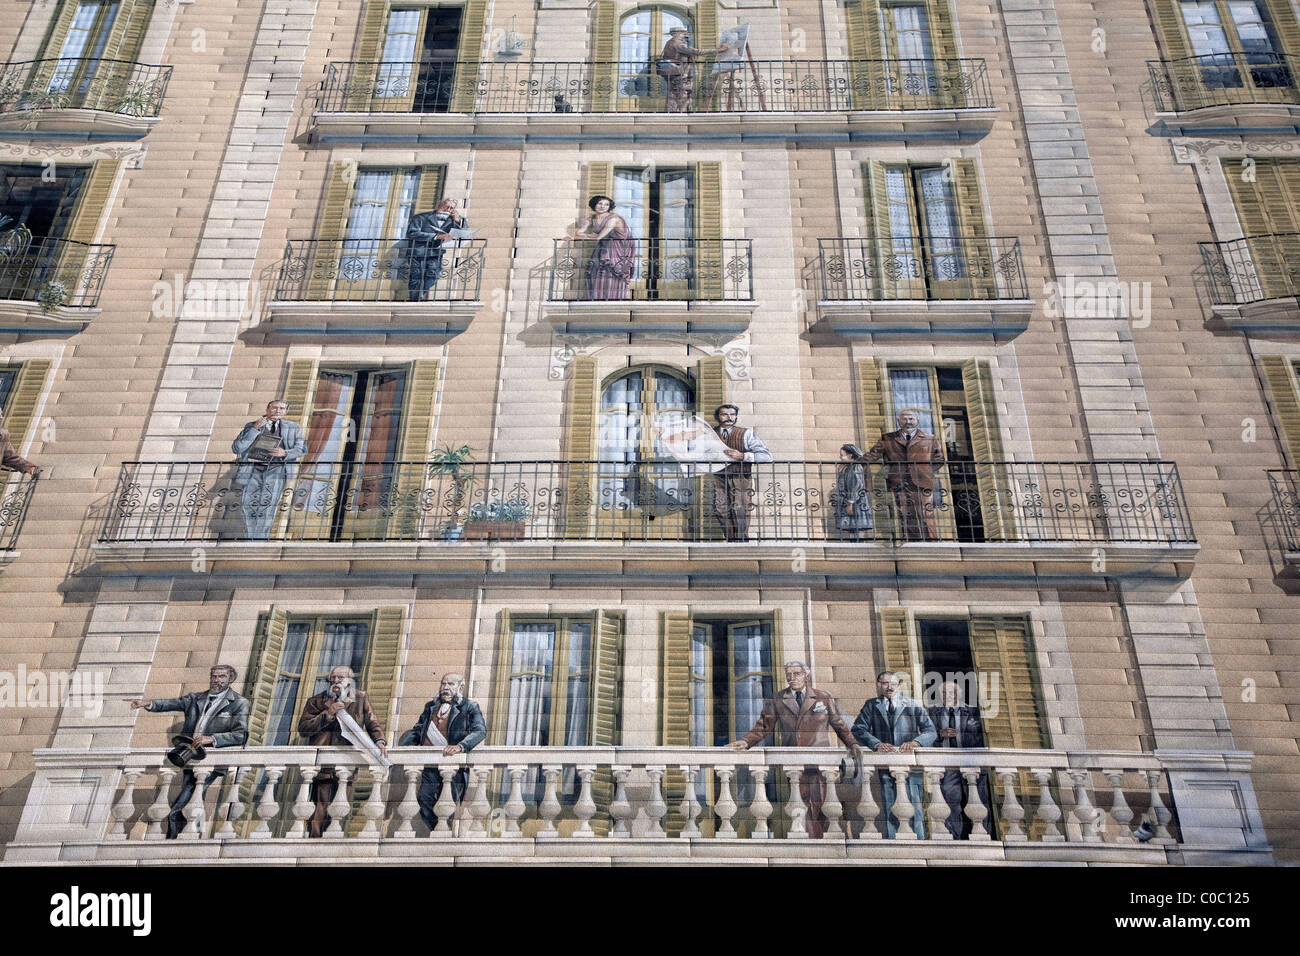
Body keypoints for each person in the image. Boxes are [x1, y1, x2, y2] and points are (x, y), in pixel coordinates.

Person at [725, 661, 862, 838]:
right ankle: (809, 846)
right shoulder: (777, 699)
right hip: (795, 762)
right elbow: (763, 727)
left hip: (820, 763)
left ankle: (826, 846)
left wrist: (852, 744)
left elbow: (840, 725)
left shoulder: (823, 697)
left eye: (796, 674)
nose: (792, 678)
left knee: (824, 804)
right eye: (788, 674)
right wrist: (745, 742)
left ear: (806, 675)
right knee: (801, 806)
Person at [125, 665, 250, 839]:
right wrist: (148, 703)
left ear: (231, 679)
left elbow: (240, 735)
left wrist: (212, 739)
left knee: (185, 801)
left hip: (210, 760)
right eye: (213, 676)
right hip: (189, 757)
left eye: (221, 676)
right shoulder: (196, 698)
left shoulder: (239, 703)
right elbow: (171, 703)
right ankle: (188, 834)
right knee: (191, 796)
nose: (216, 680)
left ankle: (177, 837)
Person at [297, 665, 388, 838]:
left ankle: (331, 844)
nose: (336, 681)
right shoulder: (316, 701)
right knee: (319, 807)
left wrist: (380, 741)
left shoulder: (360, 699)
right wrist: (327, 714)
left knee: (340, 808)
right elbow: (304, 728)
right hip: (323, 764)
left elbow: (372, 722)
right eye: (333, 678)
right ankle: (315, 843)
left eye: (341, 678)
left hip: (347, 762)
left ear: (349, 681)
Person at [851, 670, 936, 838]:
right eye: (885, 683)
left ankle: (918, 843)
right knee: (890, 804)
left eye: (893, 684)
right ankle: (894, 842)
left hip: (911, 765)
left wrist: (916, 742)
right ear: (878, 685)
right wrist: (876, 743)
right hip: (886, 764)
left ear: (898, 686)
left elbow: (931, 731)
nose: (889, 687)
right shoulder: (871, 705)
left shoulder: (912, 704)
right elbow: (858, 729)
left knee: (915, 806)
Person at [401, 672, 486, 832]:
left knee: (448, 805)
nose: (445, 688)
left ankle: (443, 833)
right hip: (430, 767)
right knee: (424, 800)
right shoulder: (430, 707)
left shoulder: (470, 707)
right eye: (443, 684)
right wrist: (403, 747)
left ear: (460, 687)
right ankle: (438, 831)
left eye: (451, 684)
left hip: (454, 768)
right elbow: (418, 731)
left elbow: (480, 731)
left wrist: (461, 746)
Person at [860, 409, 945, 541]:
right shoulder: (888, 438)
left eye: (911, 419)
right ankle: (913, 542)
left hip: (923, 481)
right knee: (905, 513)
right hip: (899, 481)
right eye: (904, 419)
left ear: (917, 421)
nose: (908, 422)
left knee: (926, 513)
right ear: (899, 421)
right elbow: (873, 455)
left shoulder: (930, 439)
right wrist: (856, 461)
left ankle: (932, 541)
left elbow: (939, 459)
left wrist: (925, 470)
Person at [232, 399, 307, 540]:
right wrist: (254, 429)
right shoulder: (252, 426)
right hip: (253, 470)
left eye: (282, 409)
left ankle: (260, 541)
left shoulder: (293, 427)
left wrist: (285, 453)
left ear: (286, 412)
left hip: (276, 471)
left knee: (268, 508)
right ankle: (250, 541)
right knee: (248, 506)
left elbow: (302, 449)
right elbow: (237, 448)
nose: (277, 411)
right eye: (274, 408)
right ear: (267, 410)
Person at [927, 680, 992, 840]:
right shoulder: (934, 712)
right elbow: (927, 737)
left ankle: (984, 835)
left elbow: (983, 737)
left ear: (960, 694)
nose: (948, 696)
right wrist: (939, 735)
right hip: (948, 763)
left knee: (979, 800)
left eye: (952, 692)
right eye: (944, 693)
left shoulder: (973, 711)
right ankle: (954, 836)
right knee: (951, 800)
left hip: (972, 761)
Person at [711, 403, 772, 541]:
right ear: (718, 417)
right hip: (719, 477)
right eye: (724, 414)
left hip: (741, 476)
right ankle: (731, 540)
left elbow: (767, 456)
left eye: (732, 414)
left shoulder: (746, 434)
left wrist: (743, 456)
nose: (729, 417)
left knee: (740, 509)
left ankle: (742, 540)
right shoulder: (710, 434)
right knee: (720, 509)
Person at [568, 195, 636, 301]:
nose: (603, 206)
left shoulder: (614, 219)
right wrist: (588, 236)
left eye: (606, 204)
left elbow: (599, 237)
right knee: (598, 271)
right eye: (600, 203)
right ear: (594, 204)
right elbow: (578, 233)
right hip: (604, 247)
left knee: (612, 271)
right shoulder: (591, 219)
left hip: (618, 248)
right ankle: (598, 297)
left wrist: (590, 236)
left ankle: (614, 298)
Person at [405, 198, 467, 301]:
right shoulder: (420, 217)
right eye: (446, 206)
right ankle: (415, 299)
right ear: (439, 205)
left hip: (435, 253)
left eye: (451, 208)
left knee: (434, 276)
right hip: (418, 252)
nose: (448, 210)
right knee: (416, 277)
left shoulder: (451, 220)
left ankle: (419, 295)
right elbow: (412, 233)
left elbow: (463, 231)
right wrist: (437, 236)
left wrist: (458, 220)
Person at [659, 26, 727, 113]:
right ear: (676, 34)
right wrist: (718, 50)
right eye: (683, 34)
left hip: (676, 74)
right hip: (681, 75)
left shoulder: (670, 42)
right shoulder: (677, 43)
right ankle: (681, 114)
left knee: (674, 96)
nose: (685, 36)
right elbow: (697, 52)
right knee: (682, 96)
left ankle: (673, 113)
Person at [833, 443, 872, 540]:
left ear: (850, 455)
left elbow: (857, 486)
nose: (841, 458)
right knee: (851, 526)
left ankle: (859, 545)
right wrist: (840, 472)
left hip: (856, 502)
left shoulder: (856, 467)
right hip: (849, 501)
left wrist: (850, 503)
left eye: (842, 455)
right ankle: (854, 542)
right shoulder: (847, 467)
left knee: (857, 526)